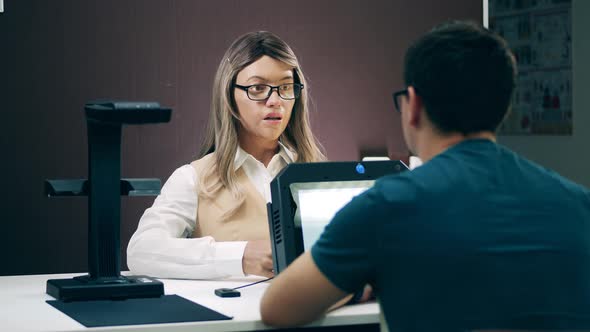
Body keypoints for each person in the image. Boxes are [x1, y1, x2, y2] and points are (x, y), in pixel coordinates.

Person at [261, 21, 590, 331]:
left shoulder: (385, 206)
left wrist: (356, 282)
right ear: (503, 107)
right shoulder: (579, 204)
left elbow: (277, 308)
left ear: (413, 104)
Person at [127, 31, 325, 280]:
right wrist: (240, 257)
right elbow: (141, 251)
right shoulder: (193, 179)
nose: (275, 100)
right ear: (229, 95)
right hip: (230, 317)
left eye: (285, 87)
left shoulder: (318, 176)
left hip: (316, 317)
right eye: (258, 88)